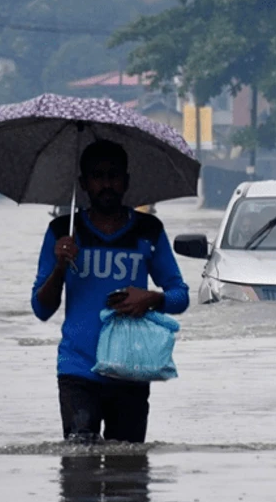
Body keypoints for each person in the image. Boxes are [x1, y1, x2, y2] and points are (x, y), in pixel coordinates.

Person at [31, 139, 189, 444]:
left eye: (113, 176)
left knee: (128, 467)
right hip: (77, 369)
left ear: (126, 181)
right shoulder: (63, 232)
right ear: (83, 184)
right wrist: (60, 266)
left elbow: (180, 296)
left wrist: (151, 299)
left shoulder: (148, 230)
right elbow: (41, 309)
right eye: (97, 176)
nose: (106, 184)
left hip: (131, 368)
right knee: (79, 464)